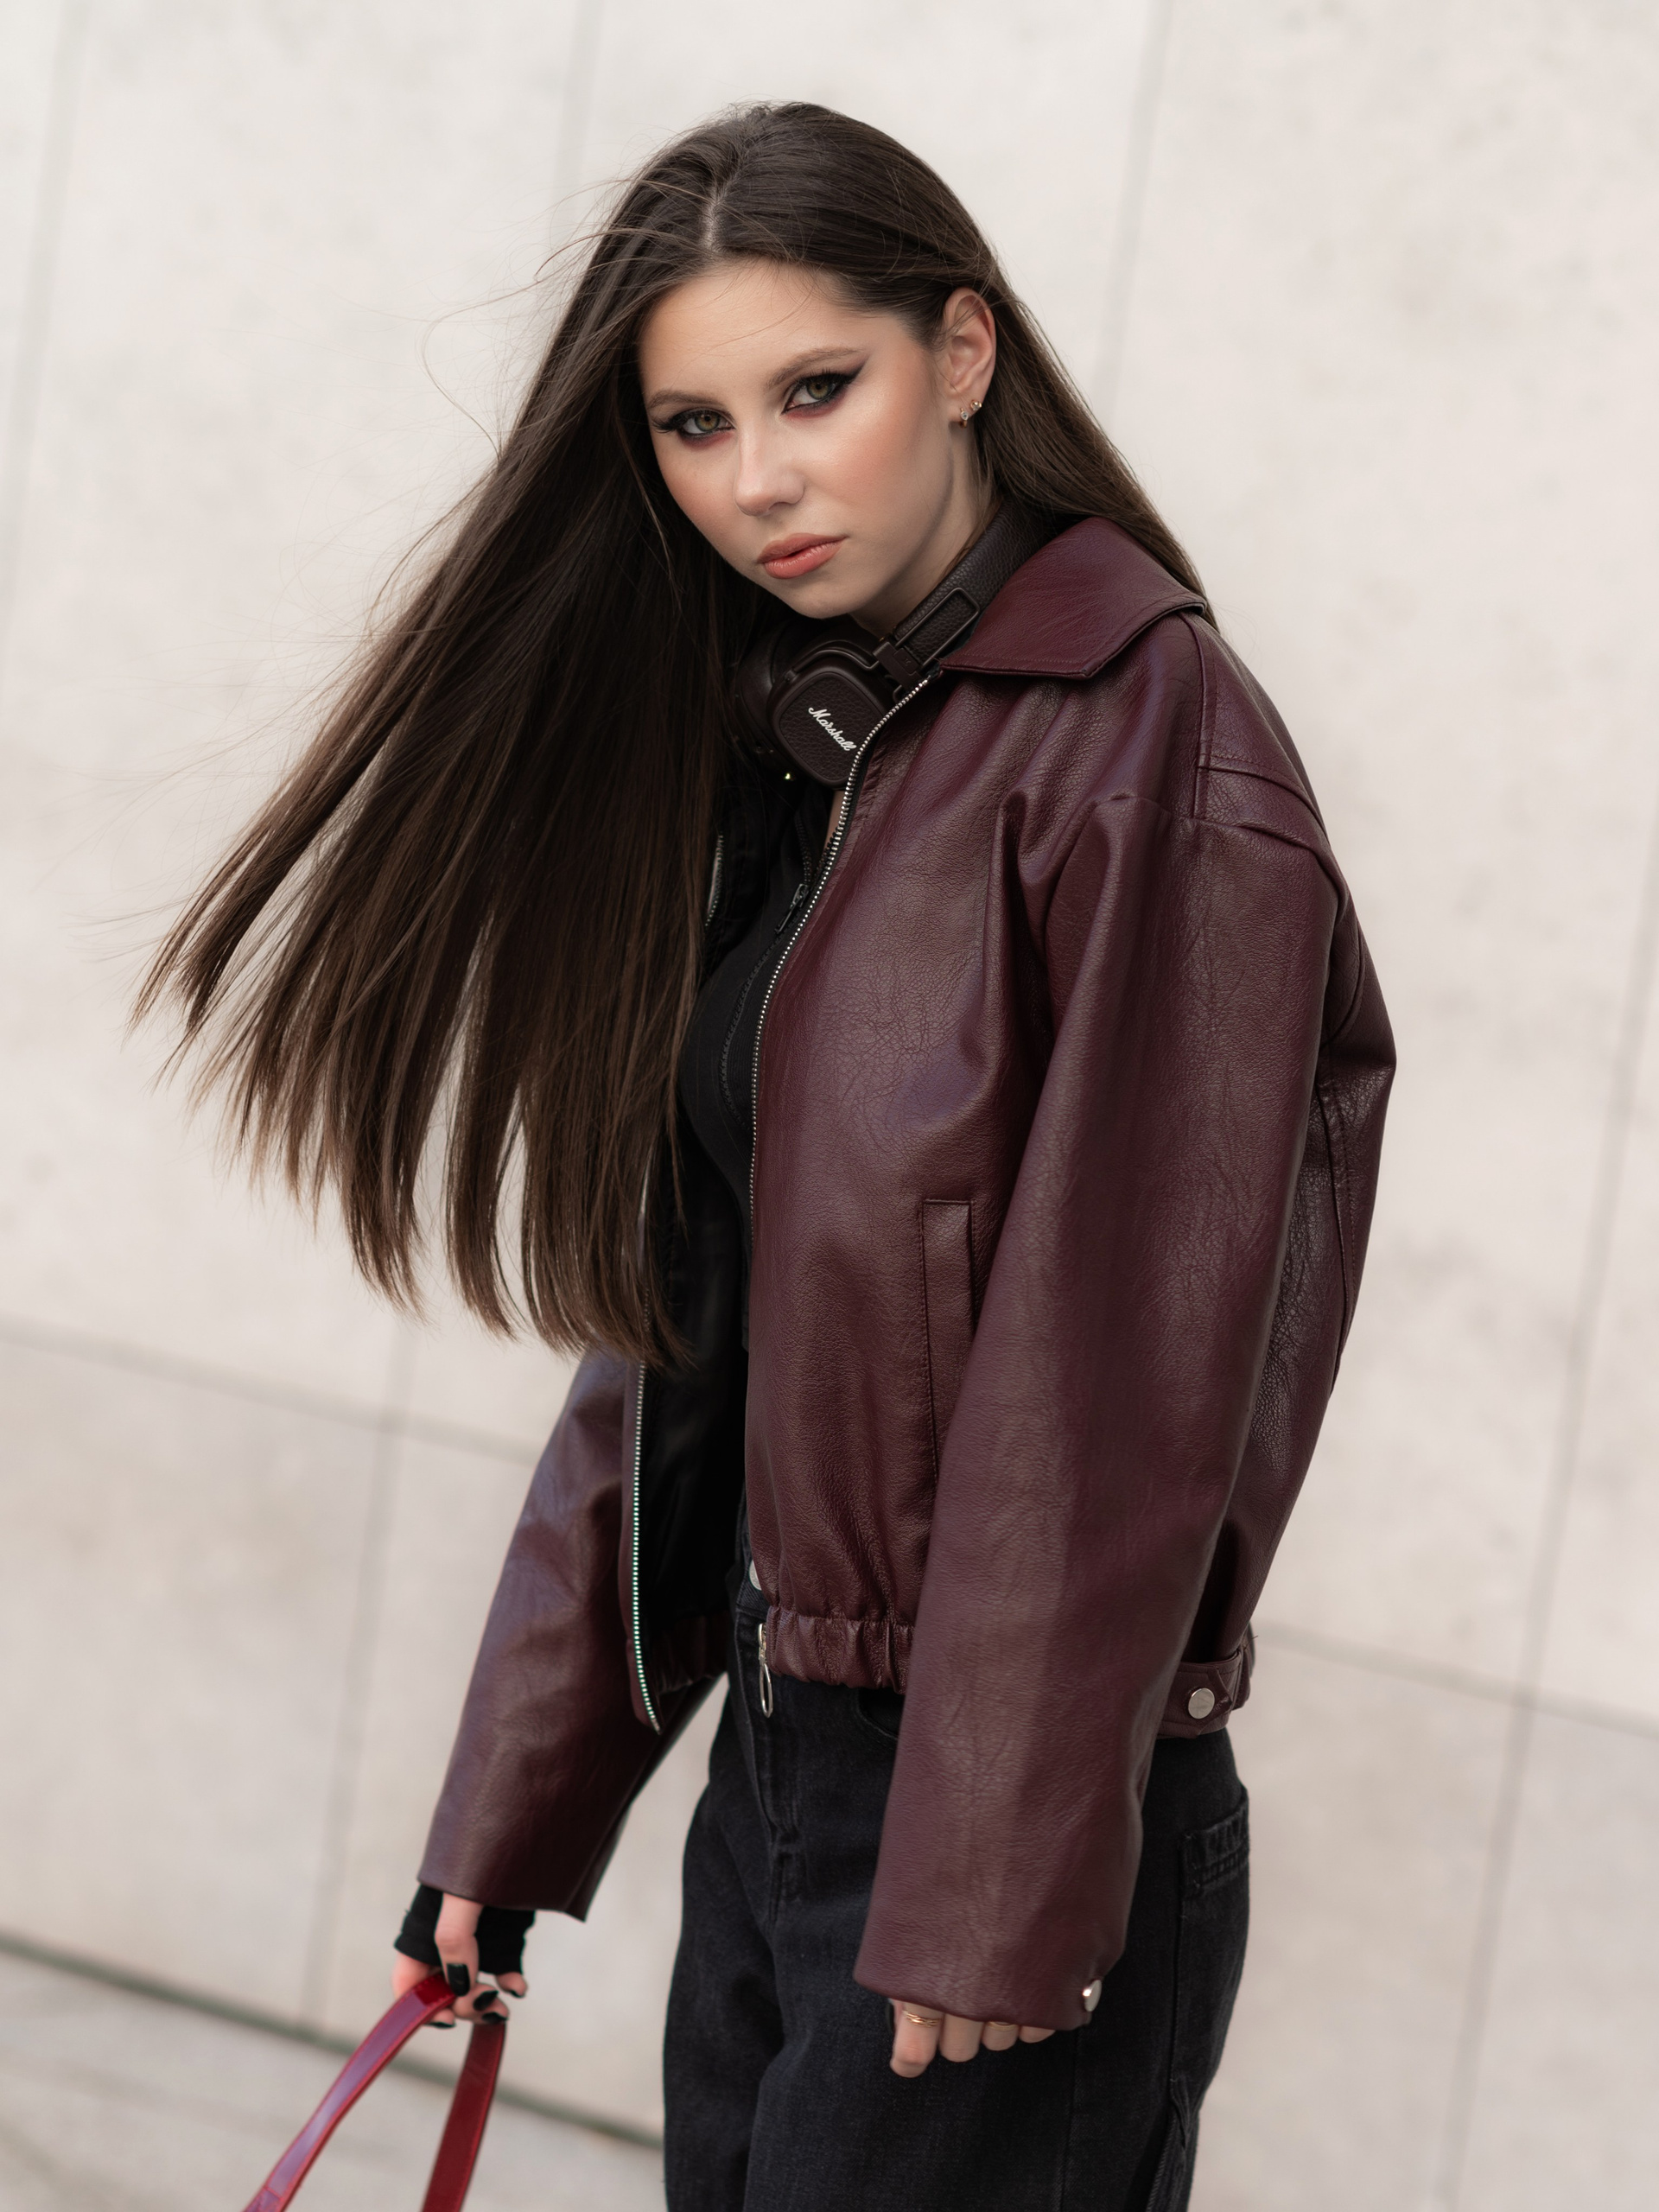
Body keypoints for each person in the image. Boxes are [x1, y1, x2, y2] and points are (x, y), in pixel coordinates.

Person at [143, 102, 1393, 2212]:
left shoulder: (1148, 746)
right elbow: (686, 1333)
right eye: (695, 425)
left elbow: (1122, 1373)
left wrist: (993, 1871)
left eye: (819, 390)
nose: (758, 481)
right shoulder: (824, 750)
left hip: (995, 1828)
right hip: (791, 1780)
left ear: (965, 351)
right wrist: (516, 1804)